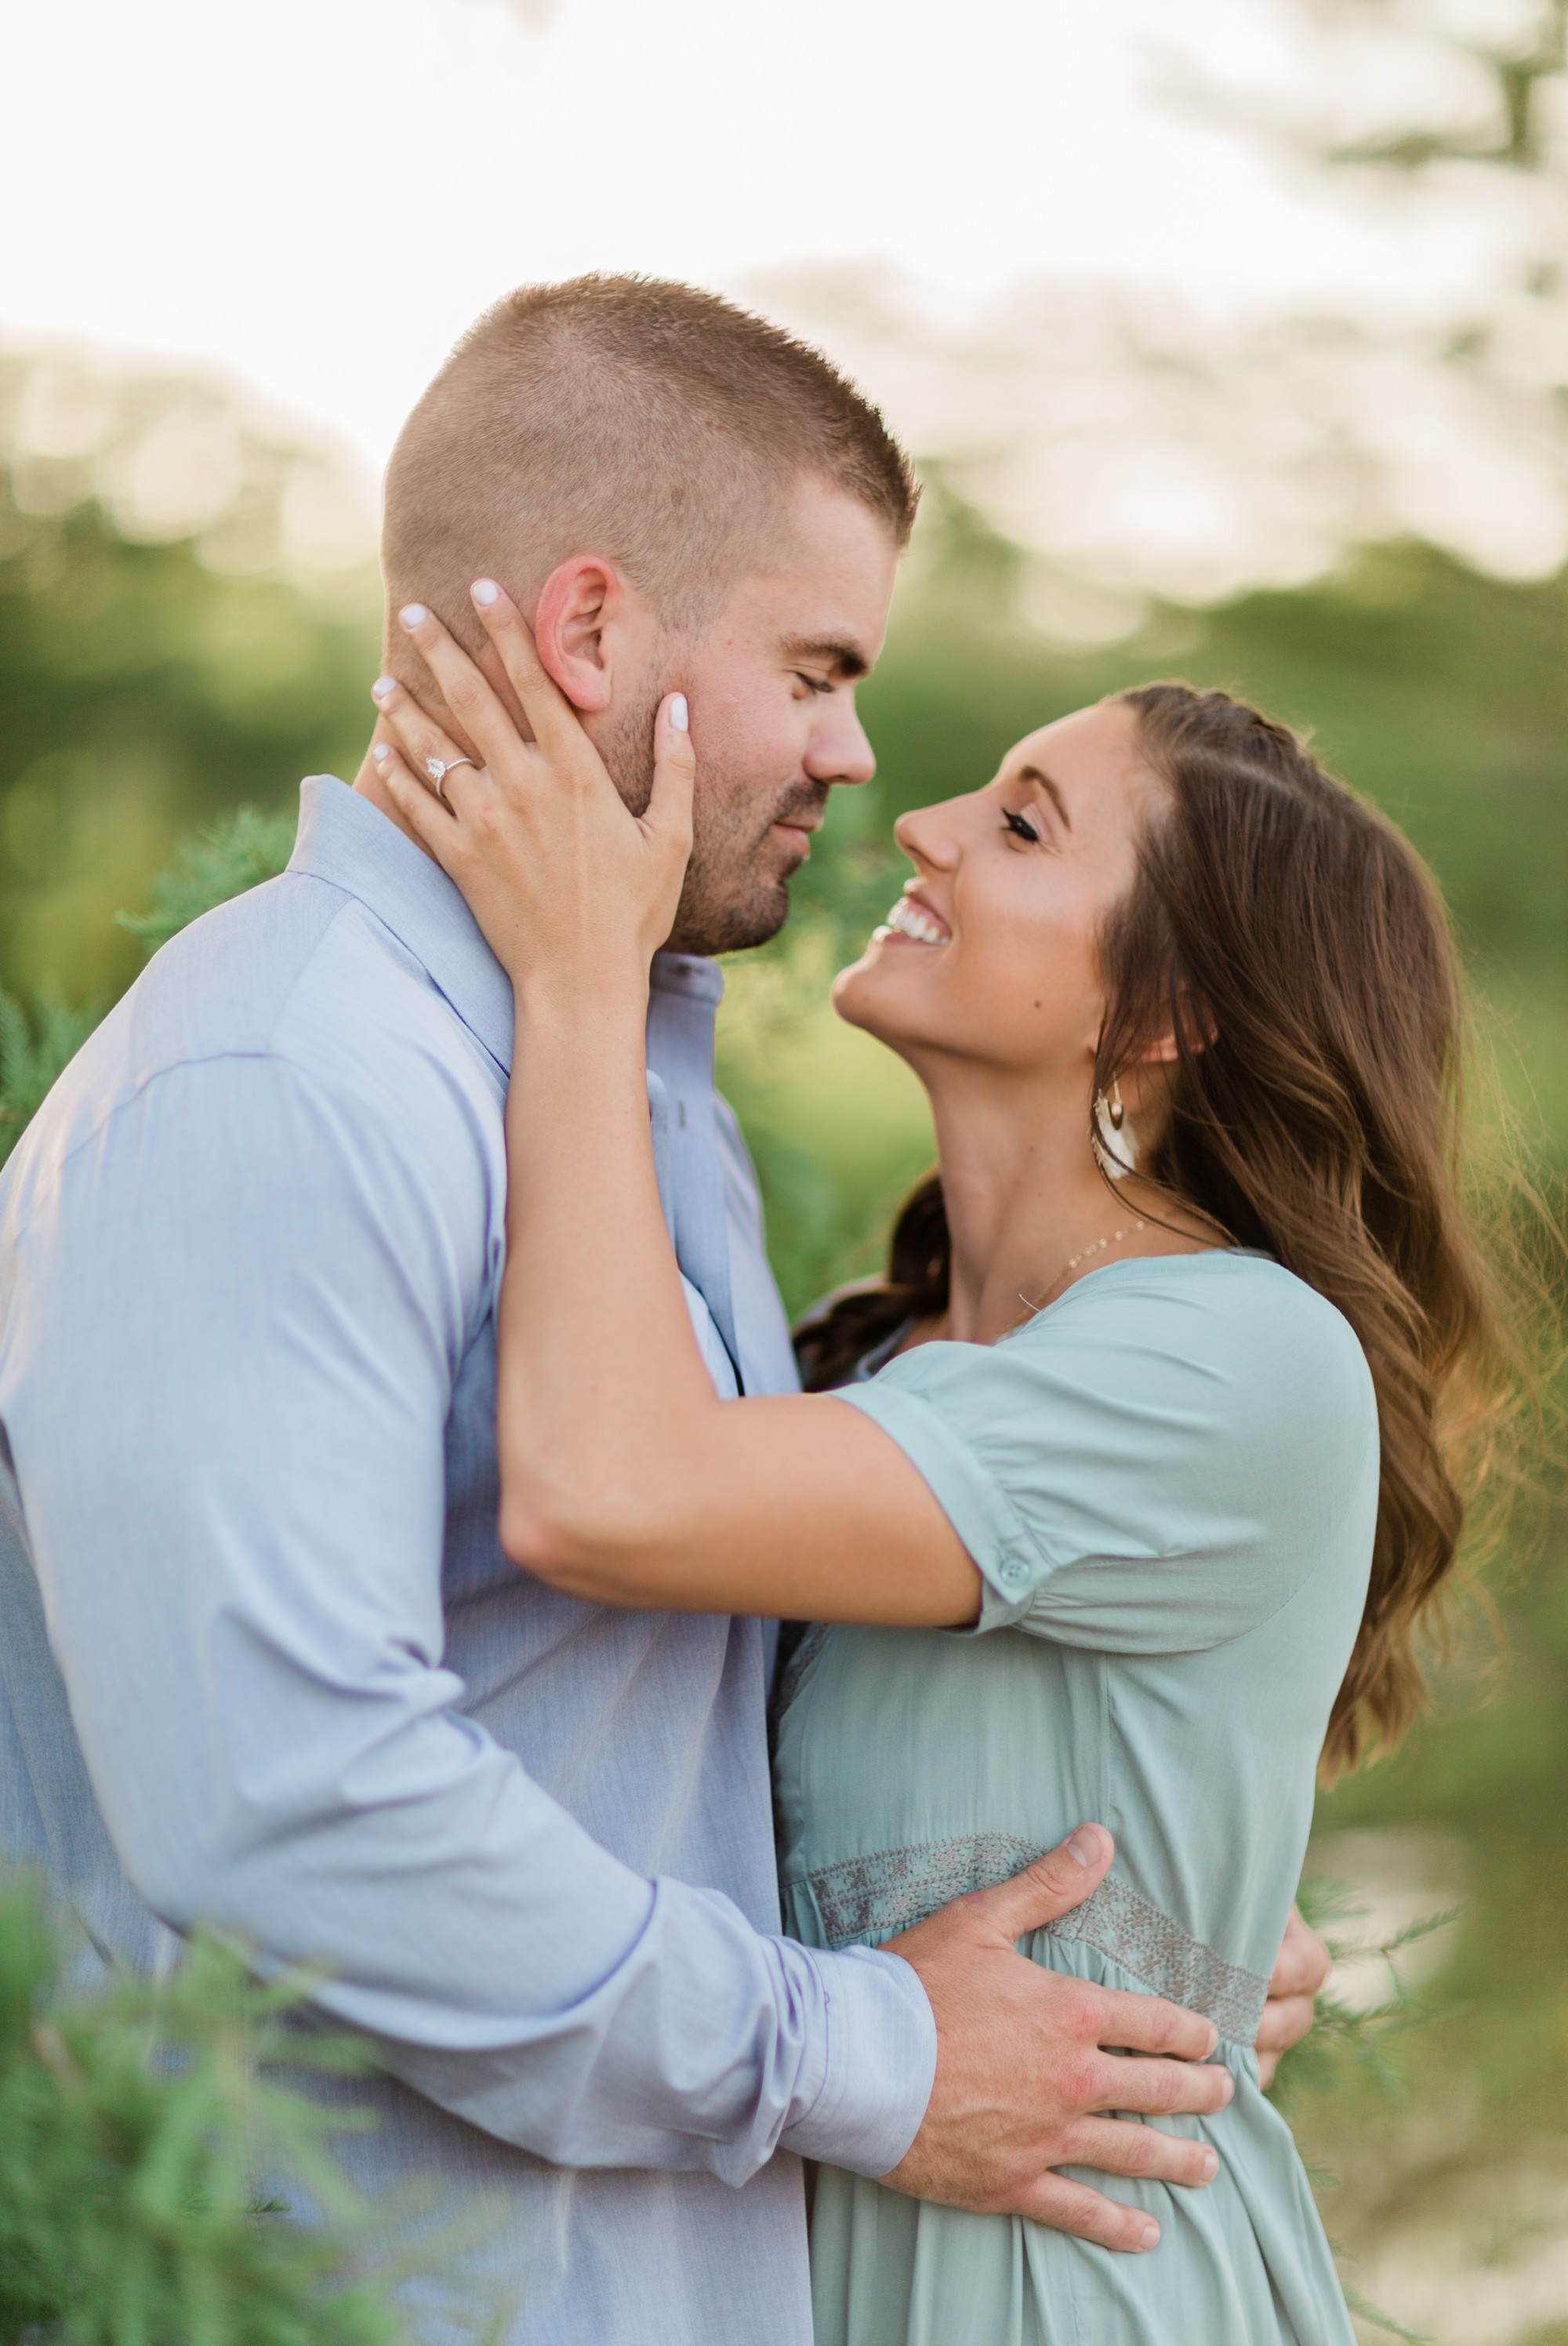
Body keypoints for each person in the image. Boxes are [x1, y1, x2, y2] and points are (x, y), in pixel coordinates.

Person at [0, 278, 1320, 2346]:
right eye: (817, 668)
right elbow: (288, 1802)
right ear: (596, 633)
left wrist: (1168, 1904)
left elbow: (676, 1717)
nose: (862, 756)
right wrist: (863, 2056)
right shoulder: (280, 1077)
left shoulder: (621, 1092)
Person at [367, 582, 1504, 2344]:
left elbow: (600, 1485)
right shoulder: (861, 1357)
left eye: (1022, 822)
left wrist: (580, 974)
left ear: (1167, 1008)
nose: (917, 819)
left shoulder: (1242, 1355)